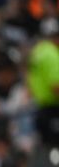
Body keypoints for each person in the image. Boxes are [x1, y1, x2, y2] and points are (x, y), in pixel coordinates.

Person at [27, 18, 59, 148]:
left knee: (48, 148)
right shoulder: (51, 53)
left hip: (40, 108)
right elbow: (56, 86)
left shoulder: (37, 51)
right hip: (53, 109)